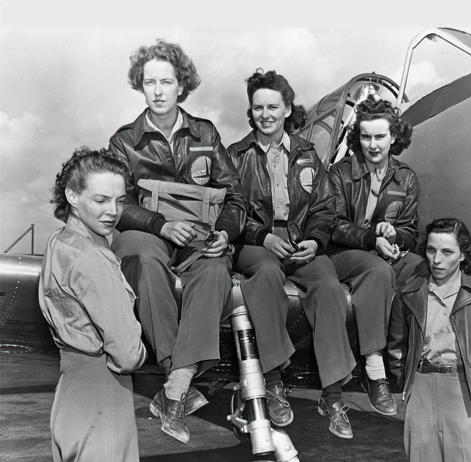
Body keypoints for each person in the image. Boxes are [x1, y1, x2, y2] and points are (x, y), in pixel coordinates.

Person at [107, 39, 247, 444]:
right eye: (149, 82)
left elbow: (235, 195)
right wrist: (160, 224)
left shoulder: (205, 133)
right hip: (149, 233)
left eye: (166, 81)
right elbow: (118, 201)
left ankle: (173, 389)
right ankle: (180, 376)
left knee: (216, 266)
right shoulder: (124, 141)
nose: (158, 90)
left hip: (200, 236)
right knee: (141, 258)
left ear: (181, 85)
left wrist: (224, 232)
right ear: (141, 85)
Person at [228, 69, 357, 439]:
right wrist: (263, 236)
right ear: (250, 112)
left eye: (273, 106)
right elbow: (233, 210)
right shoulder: (236, 156)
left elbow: (324, 209)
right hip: (257, 246)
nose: (265, 114)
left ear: (287, 109)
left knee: (329, 284)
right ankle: (273, 381)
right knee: (266, 275)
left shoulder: (307, 155)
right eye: (258, 108)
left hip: (301, 244)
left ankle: (332, 395)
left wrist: (316, 241)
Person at [39, 147, 147, 462]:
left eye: (119, 200)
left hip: (70, 395)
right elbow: (127, 355)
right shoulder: (94, 257)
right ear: (72, 196)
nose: (113, 211)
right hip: (103, 394)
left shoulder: (59, 243)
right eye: (100, 200)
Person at [388, 218, 471, 461]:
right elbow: (397, 348)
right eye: (431, 250)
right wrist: (410, 386)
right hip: (421, 393)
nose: (437, 260)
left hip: (469, 394)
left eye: (447, 252)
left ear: (463, 255)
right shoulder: (409, 294)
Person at [327, 96, 424, 416]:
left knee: (427, 272)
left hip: (388, 254)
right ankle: (375, 372)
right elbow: (334, 225)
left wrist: (396, 236)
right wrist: (371, 239)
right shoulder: (340, 173)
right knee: (378, 270)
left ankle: (414, 365)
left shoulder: (406, 177)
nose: (372, 144)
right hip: (344, 254)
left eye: (380, 136)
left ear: (393, 137)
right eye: (366, 136)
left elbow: (411, 230)